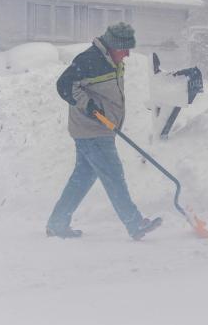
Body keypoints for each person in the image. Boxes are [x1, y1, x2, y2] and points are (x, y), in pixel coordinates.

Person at [46, 22, 162, 240]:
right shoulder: (89, 61)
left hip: (100, 129)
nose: (127, 54)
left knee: (82, 178)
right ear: (112, 46)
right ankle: (135, 223)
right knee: (114, 175)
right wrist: (88, 105)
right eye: (124, 49)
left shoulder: (111, 61)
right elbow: (64, 85)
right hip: (92, 130)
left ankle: (57, 223)